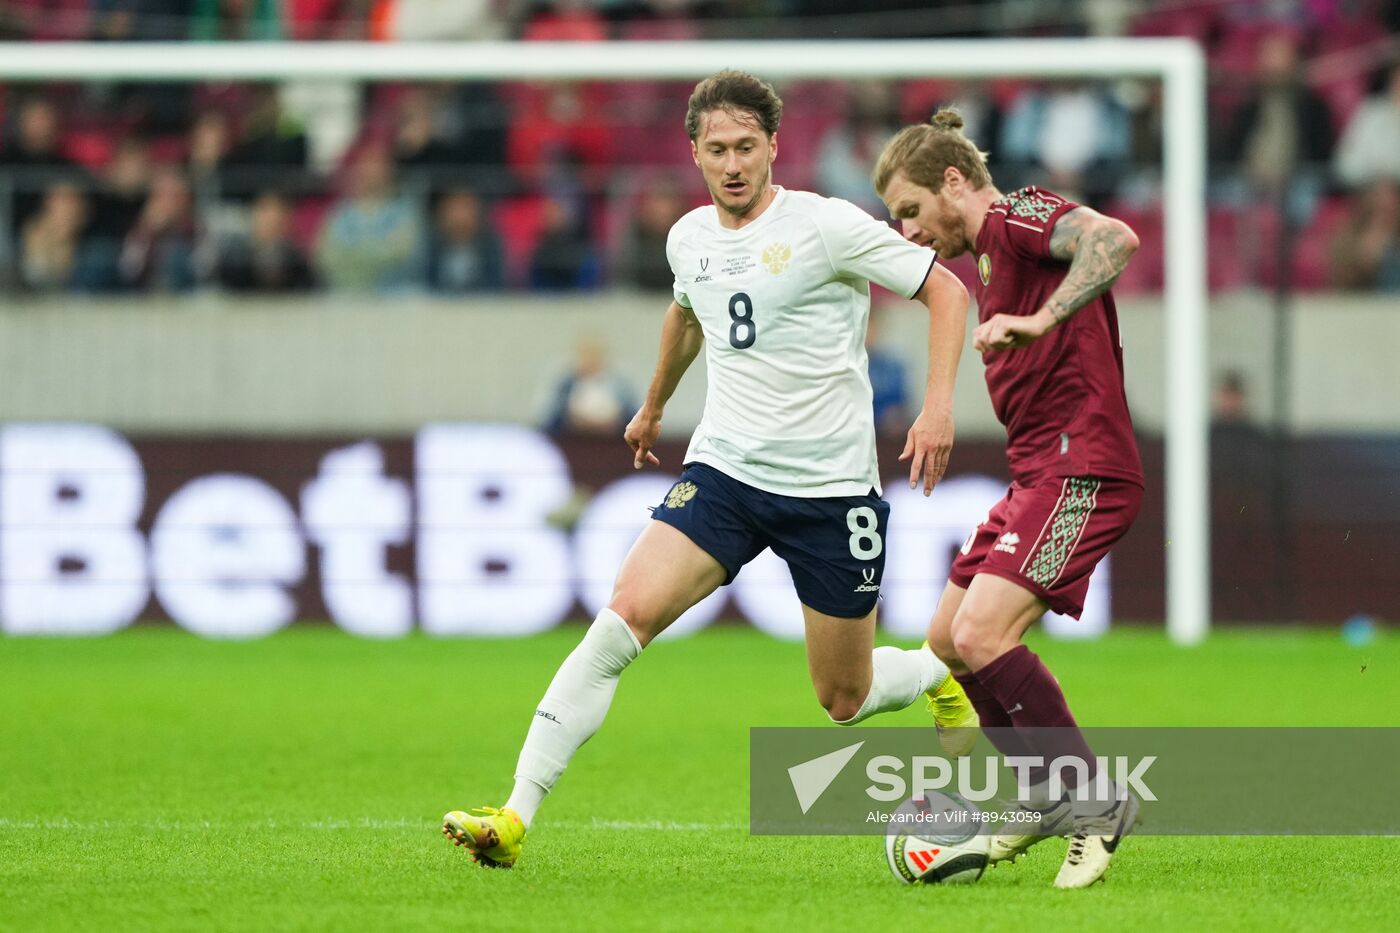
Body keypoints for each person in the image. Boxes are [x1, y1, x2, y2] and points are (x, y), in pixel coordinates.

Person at [442, 70, 976, 869]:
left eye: (748, 147)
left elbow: (947, 291)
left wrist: (937, 407)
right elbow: (688, 311)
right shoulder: (688, 236)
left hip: (830, 492)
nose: (733, 164)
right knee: (622, 618)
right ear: (693, 152)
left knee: (845, 700)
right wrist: (654, 404)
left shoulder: (826, 227)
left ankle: (937, 671)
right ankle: (514, 815)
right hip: (724, 475)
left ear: (773, 147)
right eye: (718, 149)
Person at [873, 109, 1144, 889]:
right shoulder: (986, 257)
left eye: (911, 211)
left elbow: (1115, 239)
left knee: (985, 630)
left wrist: (1043, 317)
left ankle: (1094, 803)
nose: (906, 229)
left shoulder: (1019, 214)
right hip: (1041, 473)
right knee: (950, 639)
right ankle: (1041, 796)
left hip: (1083, 469)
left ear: (953, 182)